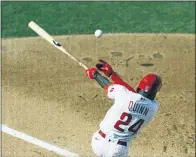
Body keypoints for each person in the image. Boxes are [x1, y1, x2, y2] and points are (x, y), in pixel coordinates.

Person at [85, 60, 162, 157]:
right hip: (118, 151)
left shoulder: (123, 94)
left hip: (99, 142)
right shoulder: (153, 107)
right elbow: (134, 96)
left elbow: (107, 85)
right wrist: (112, 75)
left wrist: (95, 75)